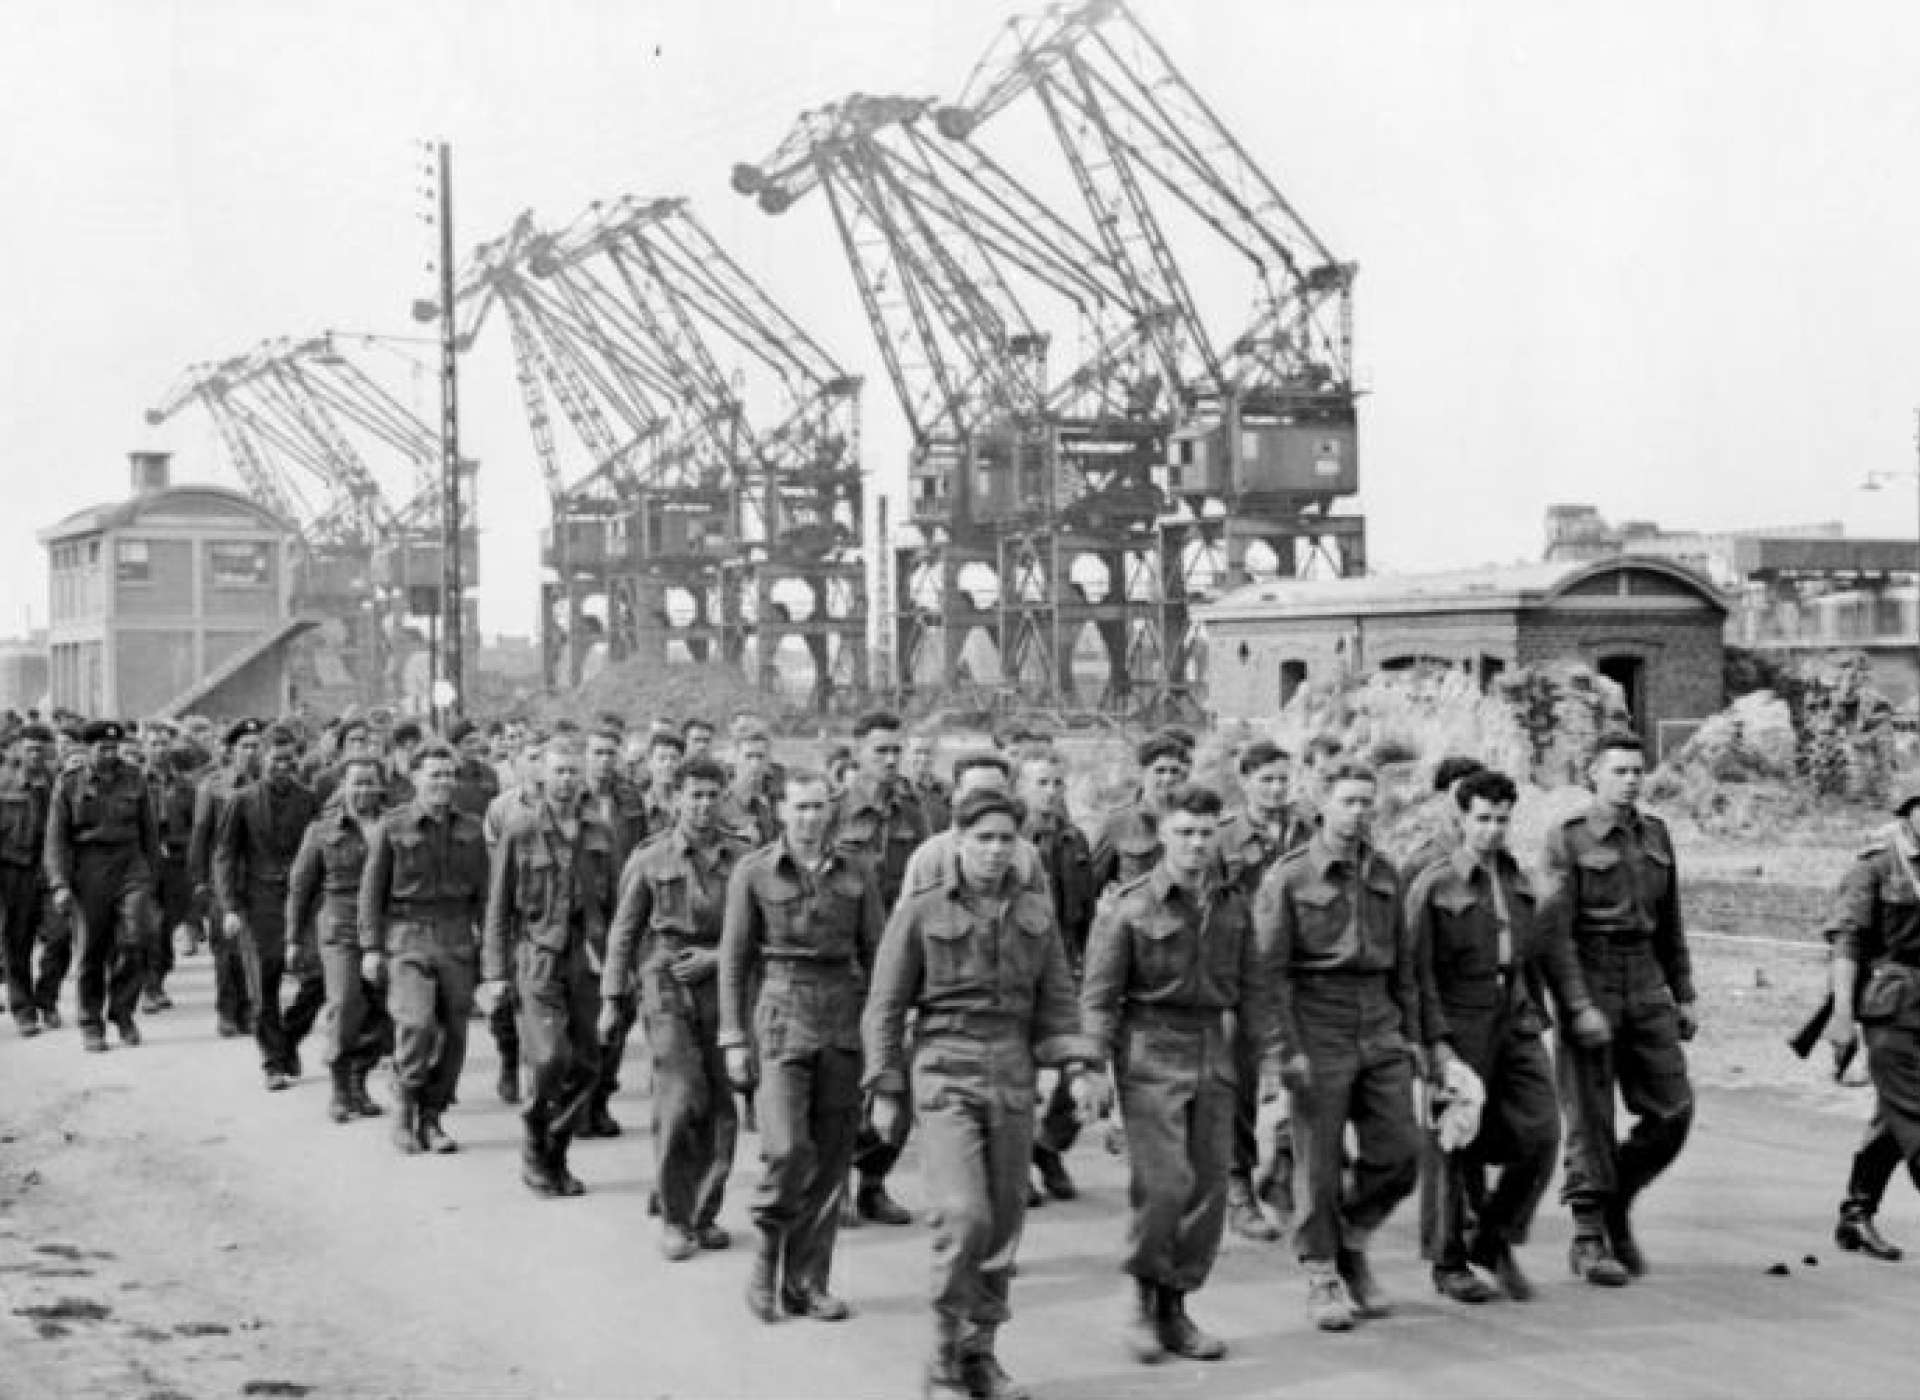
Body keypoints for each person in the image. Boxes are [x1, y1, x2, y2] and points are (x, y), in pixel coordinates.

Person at [862, 787, 1102, 1400]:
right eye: (983, 839)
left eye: (1005, 840)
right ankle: (943, 1356)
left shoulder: (1035, 914)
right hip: (945, 1070)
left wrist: (1077, 1069)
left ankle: (981, 1355)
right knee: (963, 1218)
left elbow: (1057, 1004)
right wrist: (886, 1087)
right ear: (958, 843)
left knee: (1001, 1226)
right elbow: (886, 1006)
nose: (995, 851)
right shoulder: (919, 910)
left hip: (1014, 1074)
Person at [1408, 769, 1610, 1302]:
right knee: (1453, 1139)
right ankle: (1449, 1260)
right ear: (1461, 818)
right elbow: (1415, 973)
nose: (1492, 830)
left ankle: (1493, 1236)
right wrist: (1434, 1046)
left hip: (1513, 1017)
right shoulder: (1431, 881)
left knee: (1542, 1130)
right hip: (1457, 1018)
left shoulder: (1519, 880)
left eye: (1502, 819)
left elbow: (1538, 953)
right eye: (1482, 819)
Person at [1081, 783, 1266, 1364]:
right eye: (1183, 832)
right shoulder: (1128, 905)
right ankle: (1140, 1293)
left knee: (1208, 1189)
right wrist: (1091, 1070)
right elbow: (1100, 996)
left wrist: (1277, 1063)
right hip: (1148, 1051)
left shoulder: (1234, 905)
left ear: (1219, 837)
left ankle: (1175, 1306)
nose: (1194, 844)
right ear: (1162, 835)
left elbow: (1256, 992)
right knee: (1164, 1186)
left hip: (1213, 1047)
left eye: (1205, 834)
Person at [1254, 759, 1422, 1332]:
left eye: (1366, 802)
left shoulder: (1386, 873)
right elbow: (1267, 973)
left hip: (1377, 1019)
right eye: (1348, 801)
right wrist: (1283, 1051)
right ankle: (1322, 1271)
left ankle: (1350, 1234)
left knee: (1402, 1151)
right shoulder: (1290, 877)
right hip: (1316, 1019)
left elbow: (1404, 964)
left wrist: (1414, 1036)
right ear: (1321, 804)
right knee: (1319, 1160)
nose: (1358, 812)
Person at [719, 769, 884, 1322]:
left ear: (831, 811)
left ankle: (808, 1280)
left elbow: (879, 955)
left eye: (819, 807)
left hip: (842, 1014)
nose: (811, 818)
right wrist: (733, 1038)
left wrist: (883, 1042)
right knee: (788, 1147)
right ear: (781, 810)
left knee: (833, 1157)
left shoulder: (859, 872)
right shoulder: (754, 872)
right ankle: (767, 1254)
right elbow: (735, 960)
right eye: (801, 807)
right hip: (782, 1014)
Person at [1541, 733, 1697, 1286]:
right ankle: (1588, 1236)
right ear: (1593, 775)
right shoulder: (1569, 839)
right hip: (1592, 975)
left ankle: (1616, 1200)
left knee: (1673, 1110)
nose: (1631, 780)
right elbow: (1554, 934)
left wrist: (1683, 994)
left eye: (1637, 770)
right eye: (1620, 771)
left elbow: (1671, 922)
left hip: (1647, 979)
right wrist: (1576, 1004)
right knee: (1590, 1113)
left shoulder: (1656, 835)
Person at [600, 756, 753, 1259]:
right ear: (675, 799)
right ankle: (674, 1216)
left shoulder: (745, 859)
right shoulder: (651, 858)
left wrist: (715, 957)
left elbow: (758, 932)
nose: (704, 805)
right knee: (680, 1095)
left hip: (724, 987)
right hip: (665, 985)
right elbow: (624, 932)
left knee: (721, 1105)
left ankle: (704, 1212)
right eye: (694, 795)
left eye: (713, 795)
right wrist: (611, 997)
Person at [480, 734, 619, 1198]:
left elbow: (616, 907)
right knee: (549, 1058)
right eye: (558, 771)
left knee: (587, 1063)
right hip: (536, 954)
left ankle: (555, 1149)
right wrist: (496, 973)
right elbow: (498, 907)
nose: (566, 781)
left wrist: (620, 969)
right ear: (541, 775)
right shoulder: (520, 831)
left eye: (573, 773)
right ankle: (535, 1143)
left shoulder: (600, 834)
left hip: (585, 956)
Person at [359, 742, 490, 1155]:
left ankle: (433, 1118)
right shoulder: (393, 826)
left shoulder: (471, 828)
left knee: (454, 1034)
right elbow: (370, 892)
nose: (443, 783)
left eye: (449, 775)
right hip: (408, 936)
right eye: (434, 775)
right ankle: (405, 1103)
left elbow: (486, 897)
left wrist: (490, 951)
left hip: (456, 939)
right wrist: (370, 947)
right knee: (415, 1023)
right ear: (415, 779)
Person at [830, 709, 930, 1226]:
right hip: (848, 964)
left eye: (896, 751)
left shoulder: (916, 814)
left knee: (900, 1079)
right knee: (848, 1080)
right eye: (880, 752)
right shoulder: (833, 814)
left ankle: (873, 1180)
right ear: (858, 754)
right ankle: (837, 1183)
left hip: (904, 963)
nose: (891, 761)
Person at [1213, 739, 1314, 1241]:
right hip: (1241, 977)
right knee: (1241, 1081)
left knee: (1310, 1075)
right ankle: (1236, 1186)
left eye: (1282, 778)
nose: (1276, 789)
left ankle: (1284, 1169)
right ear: (1245, 781)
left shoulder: (1311, 831)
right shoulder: (1223, 838)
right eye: (1266, 779)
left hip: (1300, 975)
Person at [1820, 779, 1920, 1261]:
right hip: (1892, 1005)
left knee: (1895, 1116)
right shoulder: (1877, 863)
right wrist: (1841, 1016)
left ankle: (1856, 1214)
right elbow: (1847, 942)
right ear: (1910, 810)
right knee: (1916, 1112)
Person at [285, 755, 394, 1123]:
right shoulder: (321, 830)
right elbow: (301, 888)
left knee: (382, 1011)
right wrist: (293, 939)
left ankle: (360, 1082)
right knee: (345, 1003)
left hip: (386, 929)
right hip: (340, 927)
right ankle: (339, 1088)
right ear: (343, 787)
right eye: (356, 783)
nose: (364, 790)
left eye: (370, 782)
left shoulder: (396, 825)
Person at [215, 724, 324, 1091]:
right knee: (264, 985)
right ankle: (272, 1062)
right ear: (262, 760)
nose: (282, 766)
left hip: (302, 901)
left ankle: (289, 1036)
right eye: (276, 759)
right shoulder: (241, 801)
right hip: (257, 901)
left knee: (318, 977)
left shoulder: (309, 800)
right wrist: (229, 905)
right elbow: (226, 856)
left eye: (289, 759)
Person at [44, 720, 160, 1053]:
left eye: (114, 748)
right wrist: (60, 884)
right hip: (89, 869)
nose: (110, 754)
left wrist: (151, 875)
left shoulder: (135, 778)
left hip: (130, 864)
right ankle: (90, 1023)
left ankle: (123, 1013)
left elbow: (149, 831)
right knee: (91, 950)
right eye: (102, 748)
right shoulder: (68, 784)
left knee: (136, 938)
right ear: (87, 749)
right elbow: (56, 840)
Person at [1019, 751, 1097, 1204]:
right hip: (1021, 970)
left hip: (1067, 967)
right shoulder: (1006, 842)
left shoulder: (1077, 841)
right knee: (1022, 1072)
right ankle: (1017, 1165)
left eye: (1056, 782)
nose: (1050, 792)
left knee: (1079, 1065)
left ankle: (1049, 1145)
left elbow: (1091, 906)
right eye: (1041, 782)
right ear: (1021, 788)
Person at [192, 720, 264, 1037]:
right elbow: (201, 835)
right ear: (232, 750)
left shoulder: (267, 782)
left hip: (259, 876)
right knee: (226, 948)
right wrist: (199, 881)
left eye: (255, 745)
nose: (251, 752)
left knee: (255, 947)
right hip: (223, 877)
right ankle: (227, 1010)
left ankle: (251, 1008)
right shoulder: (214, 786)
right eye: (245, 746)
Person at [0, 725, 56, 1035]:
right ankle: (23, 1009)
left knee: (60, 938)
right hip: (14, 871)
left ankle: (46, 998)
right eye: (29, 748)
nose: (34, 755)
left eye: (40, 749)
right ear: (18, 750)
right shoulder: (2, 782)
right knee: (16, 942)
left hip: (50, 870)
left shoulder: (59, 781)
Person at [1089, 734, 1191, 895]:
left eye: (1174, 771)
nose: (1168, 778)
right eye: (1160, 770)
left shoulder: (1193, 818)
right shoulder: (1117, 822)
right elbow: (1090, 885)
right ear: (1142, 772)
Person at [906, 733, 952, 832]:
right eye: (917, 752)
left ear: (936, 754)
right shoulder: (897, 789)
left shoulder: (949, 790)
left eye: (928, 752)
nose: (923, 758)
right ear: (906, 754)